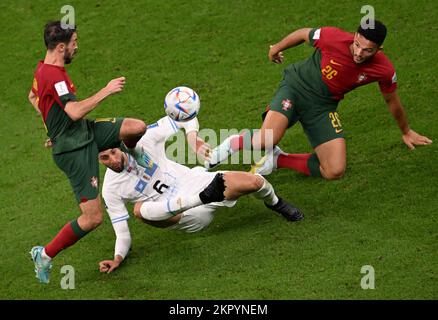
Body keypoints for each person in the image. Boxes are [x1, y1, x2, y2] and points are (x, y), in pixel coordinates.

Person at [206, 20, 432, 179]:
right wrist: (276, 48)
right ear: (354, 36)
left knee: (334, 170)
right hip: (295, 87)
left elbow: (392, 100)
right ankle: (236, 141)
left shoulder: (383, 69)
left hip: (323, 106)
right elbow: (304, 33)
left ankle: (277, 161)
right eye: (357, 44)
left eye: (367, 50)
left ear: (379, 49)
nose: (358, 52)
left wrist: (406, 130)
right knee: (266, 139)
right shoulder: (333, 37)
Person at [97, 115, 303, 273]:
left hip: (196, 182)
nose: (113, 160)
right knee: (140, 210)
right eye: (105, 158)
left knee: (255, 182)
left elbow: (185, 115)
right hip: (185, 215)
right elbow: (122, 232)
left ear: (120, 147)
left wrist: (192, 136)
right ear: (98, 160)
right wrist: (117, 258)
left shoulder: (144, 140)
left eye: (113, 152)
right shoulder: (111, 189)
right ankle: (202, 198)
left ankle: (276, 203)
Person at [28, 21, 147, 283]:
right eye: (74, 43)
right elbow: (74, 111)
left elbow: (33, 98)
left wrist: (52, 128)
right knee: (92, 218)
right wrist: (106, 90)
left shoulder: (43, 68)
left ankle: (132, 159)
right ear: (61, 47)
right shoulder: (54, 76)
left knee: (137, 127)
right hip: (74, 150)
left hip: (85, 132)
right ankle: (44, 255)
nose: (77, 47)